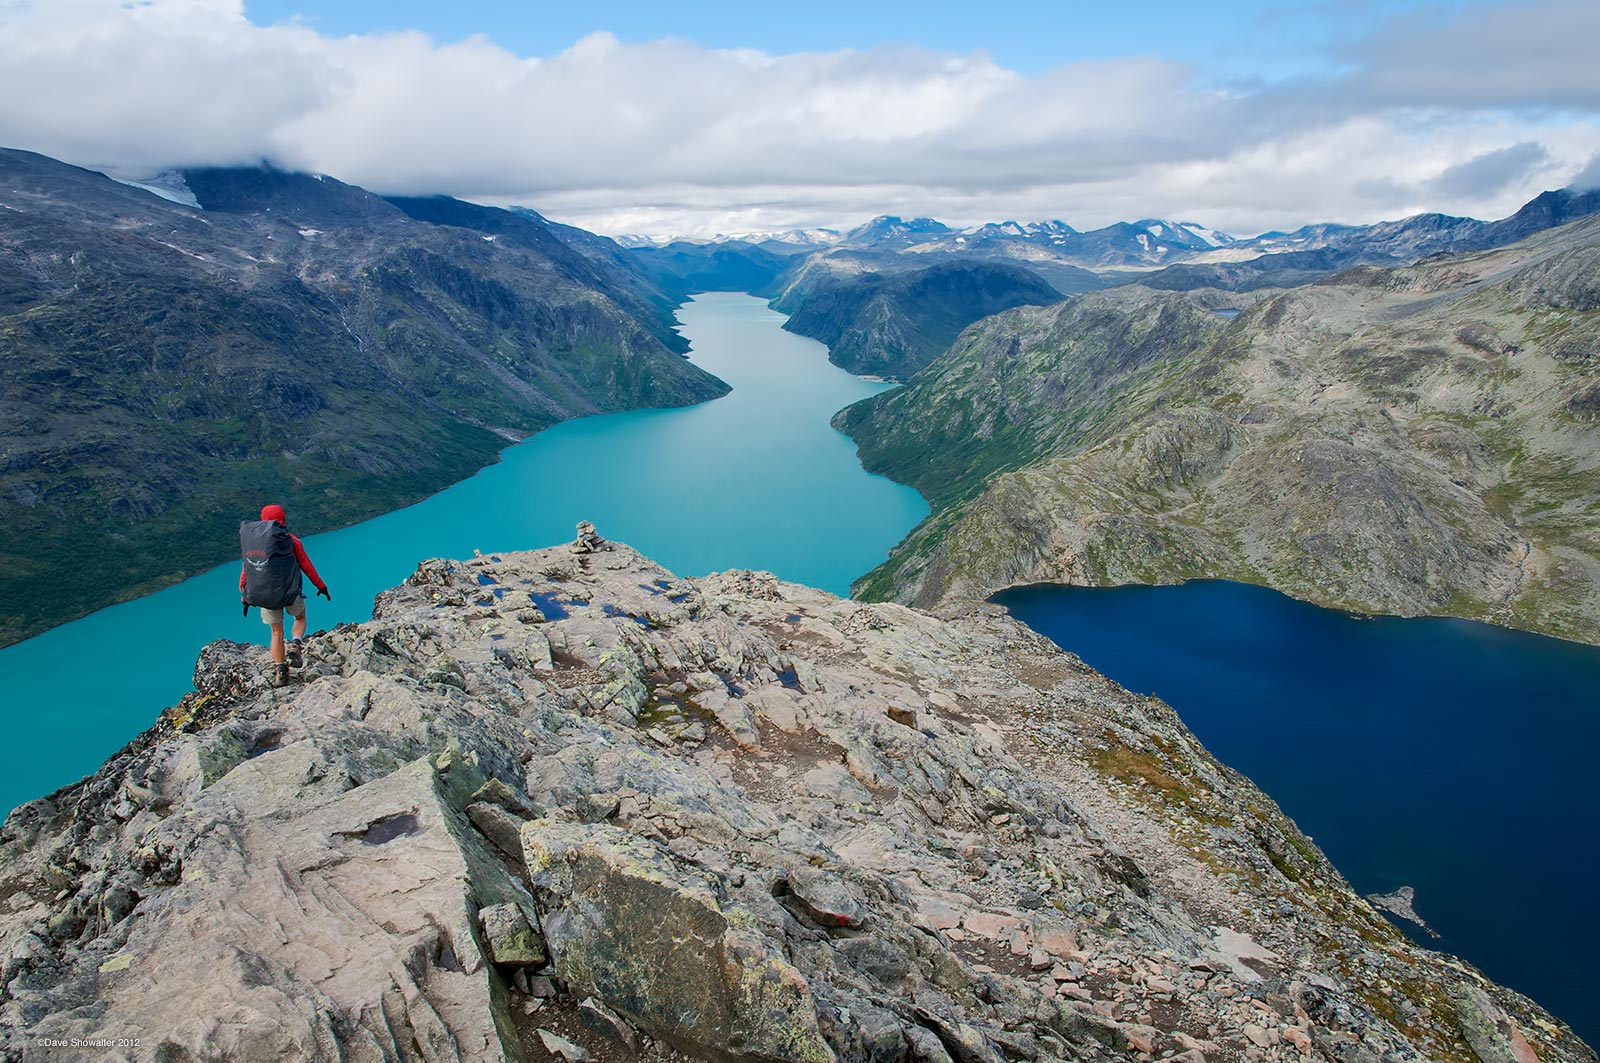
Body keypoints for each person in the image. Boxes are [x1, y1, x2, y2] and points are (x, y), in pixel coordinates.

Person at [240, 503, 330, 686]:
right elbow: (306, 565)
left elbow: (247, 570)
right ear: (283, 519)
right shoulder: (291, 540)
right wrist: (321, 586)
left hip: (265, 595)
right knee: (300, 617)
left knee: (276, 632)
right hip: (289, 592)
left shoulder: (255, 544)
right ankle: (296, 644)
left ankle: (280, 671)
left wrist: (245, 595)